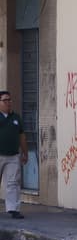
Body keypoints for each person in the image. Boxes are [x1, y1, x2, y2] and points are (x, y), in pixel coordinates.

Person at [0, 91, 27, 219]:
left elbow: (22, 136)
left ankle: (13, 209)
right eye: (5, 100)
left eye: (9, 100)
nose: (8, 102)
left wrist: (25, 153)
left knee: (13, 183)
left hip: (13, 156)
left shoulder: (16, 118)